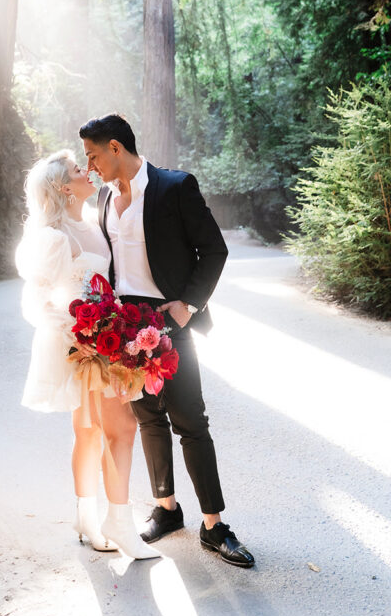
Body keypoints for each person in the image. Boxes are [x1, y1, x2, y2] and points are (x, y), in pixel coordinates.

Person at [79, 115, 255, 568]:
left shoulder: (175, 187)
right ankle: (167, 509)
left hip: (170, 320)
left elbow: (214, 249)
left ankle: (215, 527)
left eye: (93, 155)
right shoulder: (101, 200)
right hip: (122, 327)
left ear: (116, 147)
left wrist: (186, 306)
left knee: (190, 421)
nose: (91, 165)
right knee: (147, 420)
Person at [15, 150, 159, 560]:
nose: (88, 172)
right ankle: (117, 519)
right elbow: (38, 301)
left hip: (107, 337)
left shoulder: (93, 224)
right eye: (80, 171)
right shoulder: (54, 237)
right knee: (118, 428)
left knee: (95, 431)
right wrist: (78, 333)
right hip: (83, 345)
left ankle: (87, 516)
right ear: (64, 186)